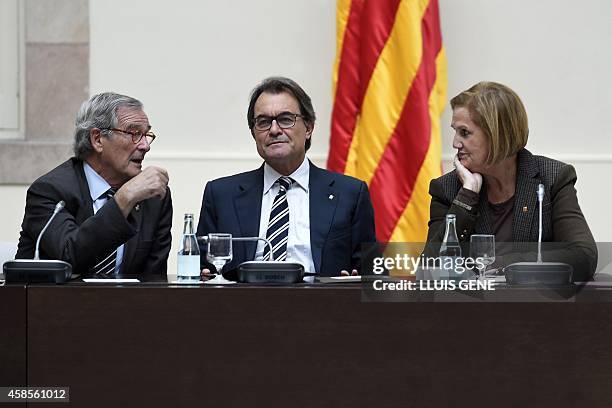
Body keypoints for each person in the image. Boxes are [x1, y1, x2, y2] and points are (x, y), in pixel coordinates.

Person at [196, 76, 376, 280]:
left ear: (308, 128)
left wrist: (355, 280)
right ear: (254, 133)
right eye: (263, 122)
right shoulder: (221, 195)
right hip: (242, 306)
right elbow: (201, 269)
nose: (274, 130)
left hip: (322, 306)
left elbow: (371, 272)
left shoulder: (349, 194)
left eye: (285, 119)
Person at [425, 81, 597, 281]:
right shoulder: (447, 189)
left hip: (538, 306)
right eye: (455, 131)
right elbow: (429, 267)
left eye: (464, 132)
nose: (455, 143)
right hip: (472, 308)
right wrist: (467, 195)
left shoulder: (552, 178)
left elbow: (584, 256)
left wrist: (502, 264)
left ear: (496, 134)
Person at [16, 92, 172, 278]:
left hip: (128, 306)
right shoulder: (48, 191)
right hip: (56, 304)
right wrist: (123, 199)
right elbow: (70, 256)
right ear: (97, 139)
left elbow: (154, 282)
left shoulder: (153, 197)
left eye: (146, 134)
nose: (145, 145)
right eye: (135, 134)